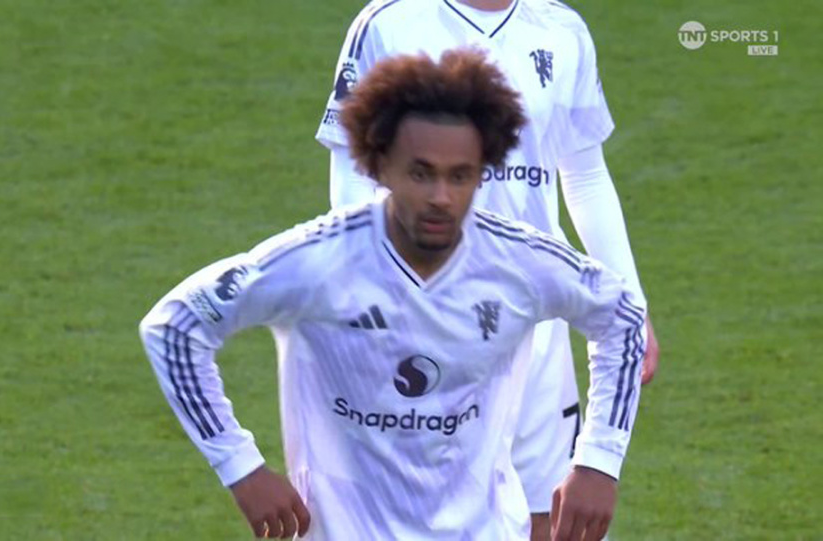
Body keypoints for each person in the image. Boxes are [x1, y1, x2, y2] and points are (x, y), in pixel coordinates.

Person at [141, 49, 645, 540]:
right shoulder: (317, 261)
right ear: (380, 167)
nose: (441, 197)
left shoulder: (518, 262)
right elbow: (175, 325)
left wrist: (599, 461)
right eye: (421, 173)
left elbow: (622, 317)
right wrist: (241, 467)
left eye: (460, 176)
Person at [315, 1, 660, 535]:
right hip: (427, 322)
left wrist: (630, 305)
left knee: (550, 515)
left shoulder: (562, 29)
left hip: (535, 322)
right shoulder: (389, 23)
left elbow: (586, 175)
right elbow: (352, 175)